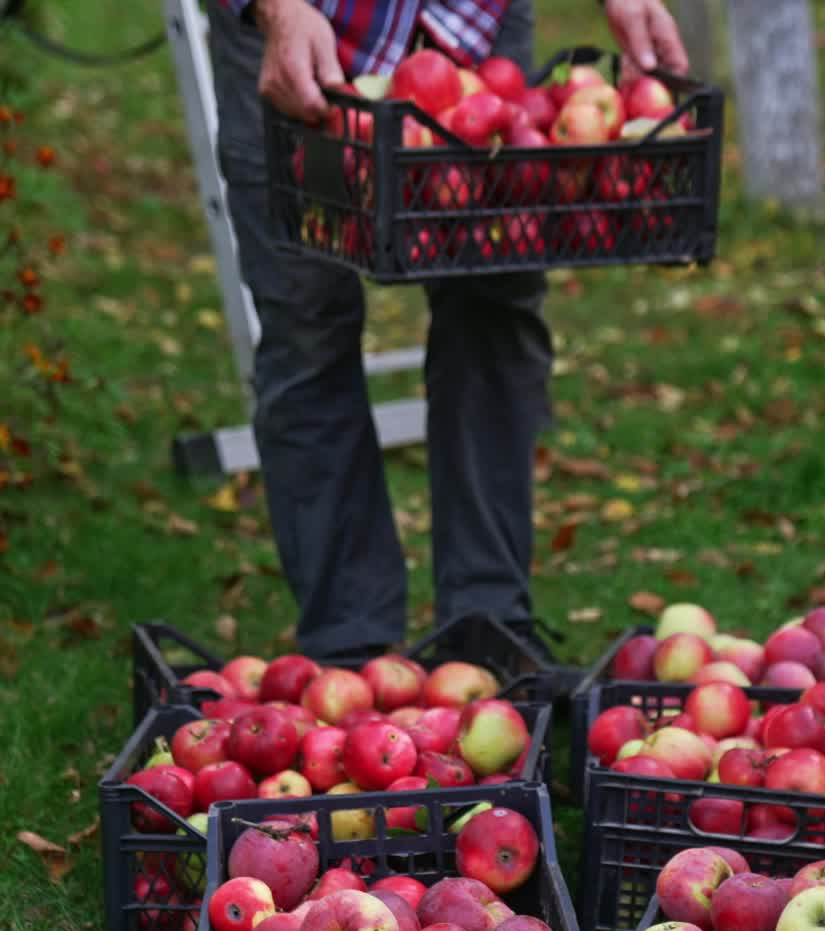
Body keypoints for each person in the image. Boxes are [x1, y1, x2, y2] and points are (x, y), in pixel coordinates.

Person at [208, 0, 689, 662]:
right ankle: (352, 650)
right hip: (307, 22)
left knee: (494, 295)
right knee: (307, 314)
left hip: (470, 14)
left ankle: (487, 631)